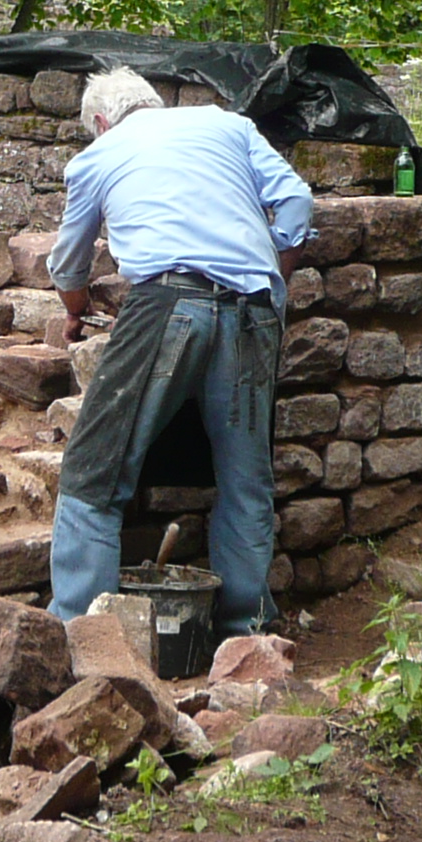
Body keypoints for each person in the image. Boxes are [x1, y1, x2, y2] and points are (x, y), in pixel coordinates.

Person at [49, 67, 315, 634]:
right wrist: (273, 273)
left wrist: (75, 308)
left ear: (101, 122)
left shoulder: (98, 156)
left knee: (95, 470)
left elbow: (69, 264)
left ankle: (81, 629)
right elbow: (296, 202)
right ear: (152, 102)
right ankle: (245, 629)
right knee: (246, 481)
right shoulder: (228, 125)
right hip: (253, 311)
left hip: (166, 305)